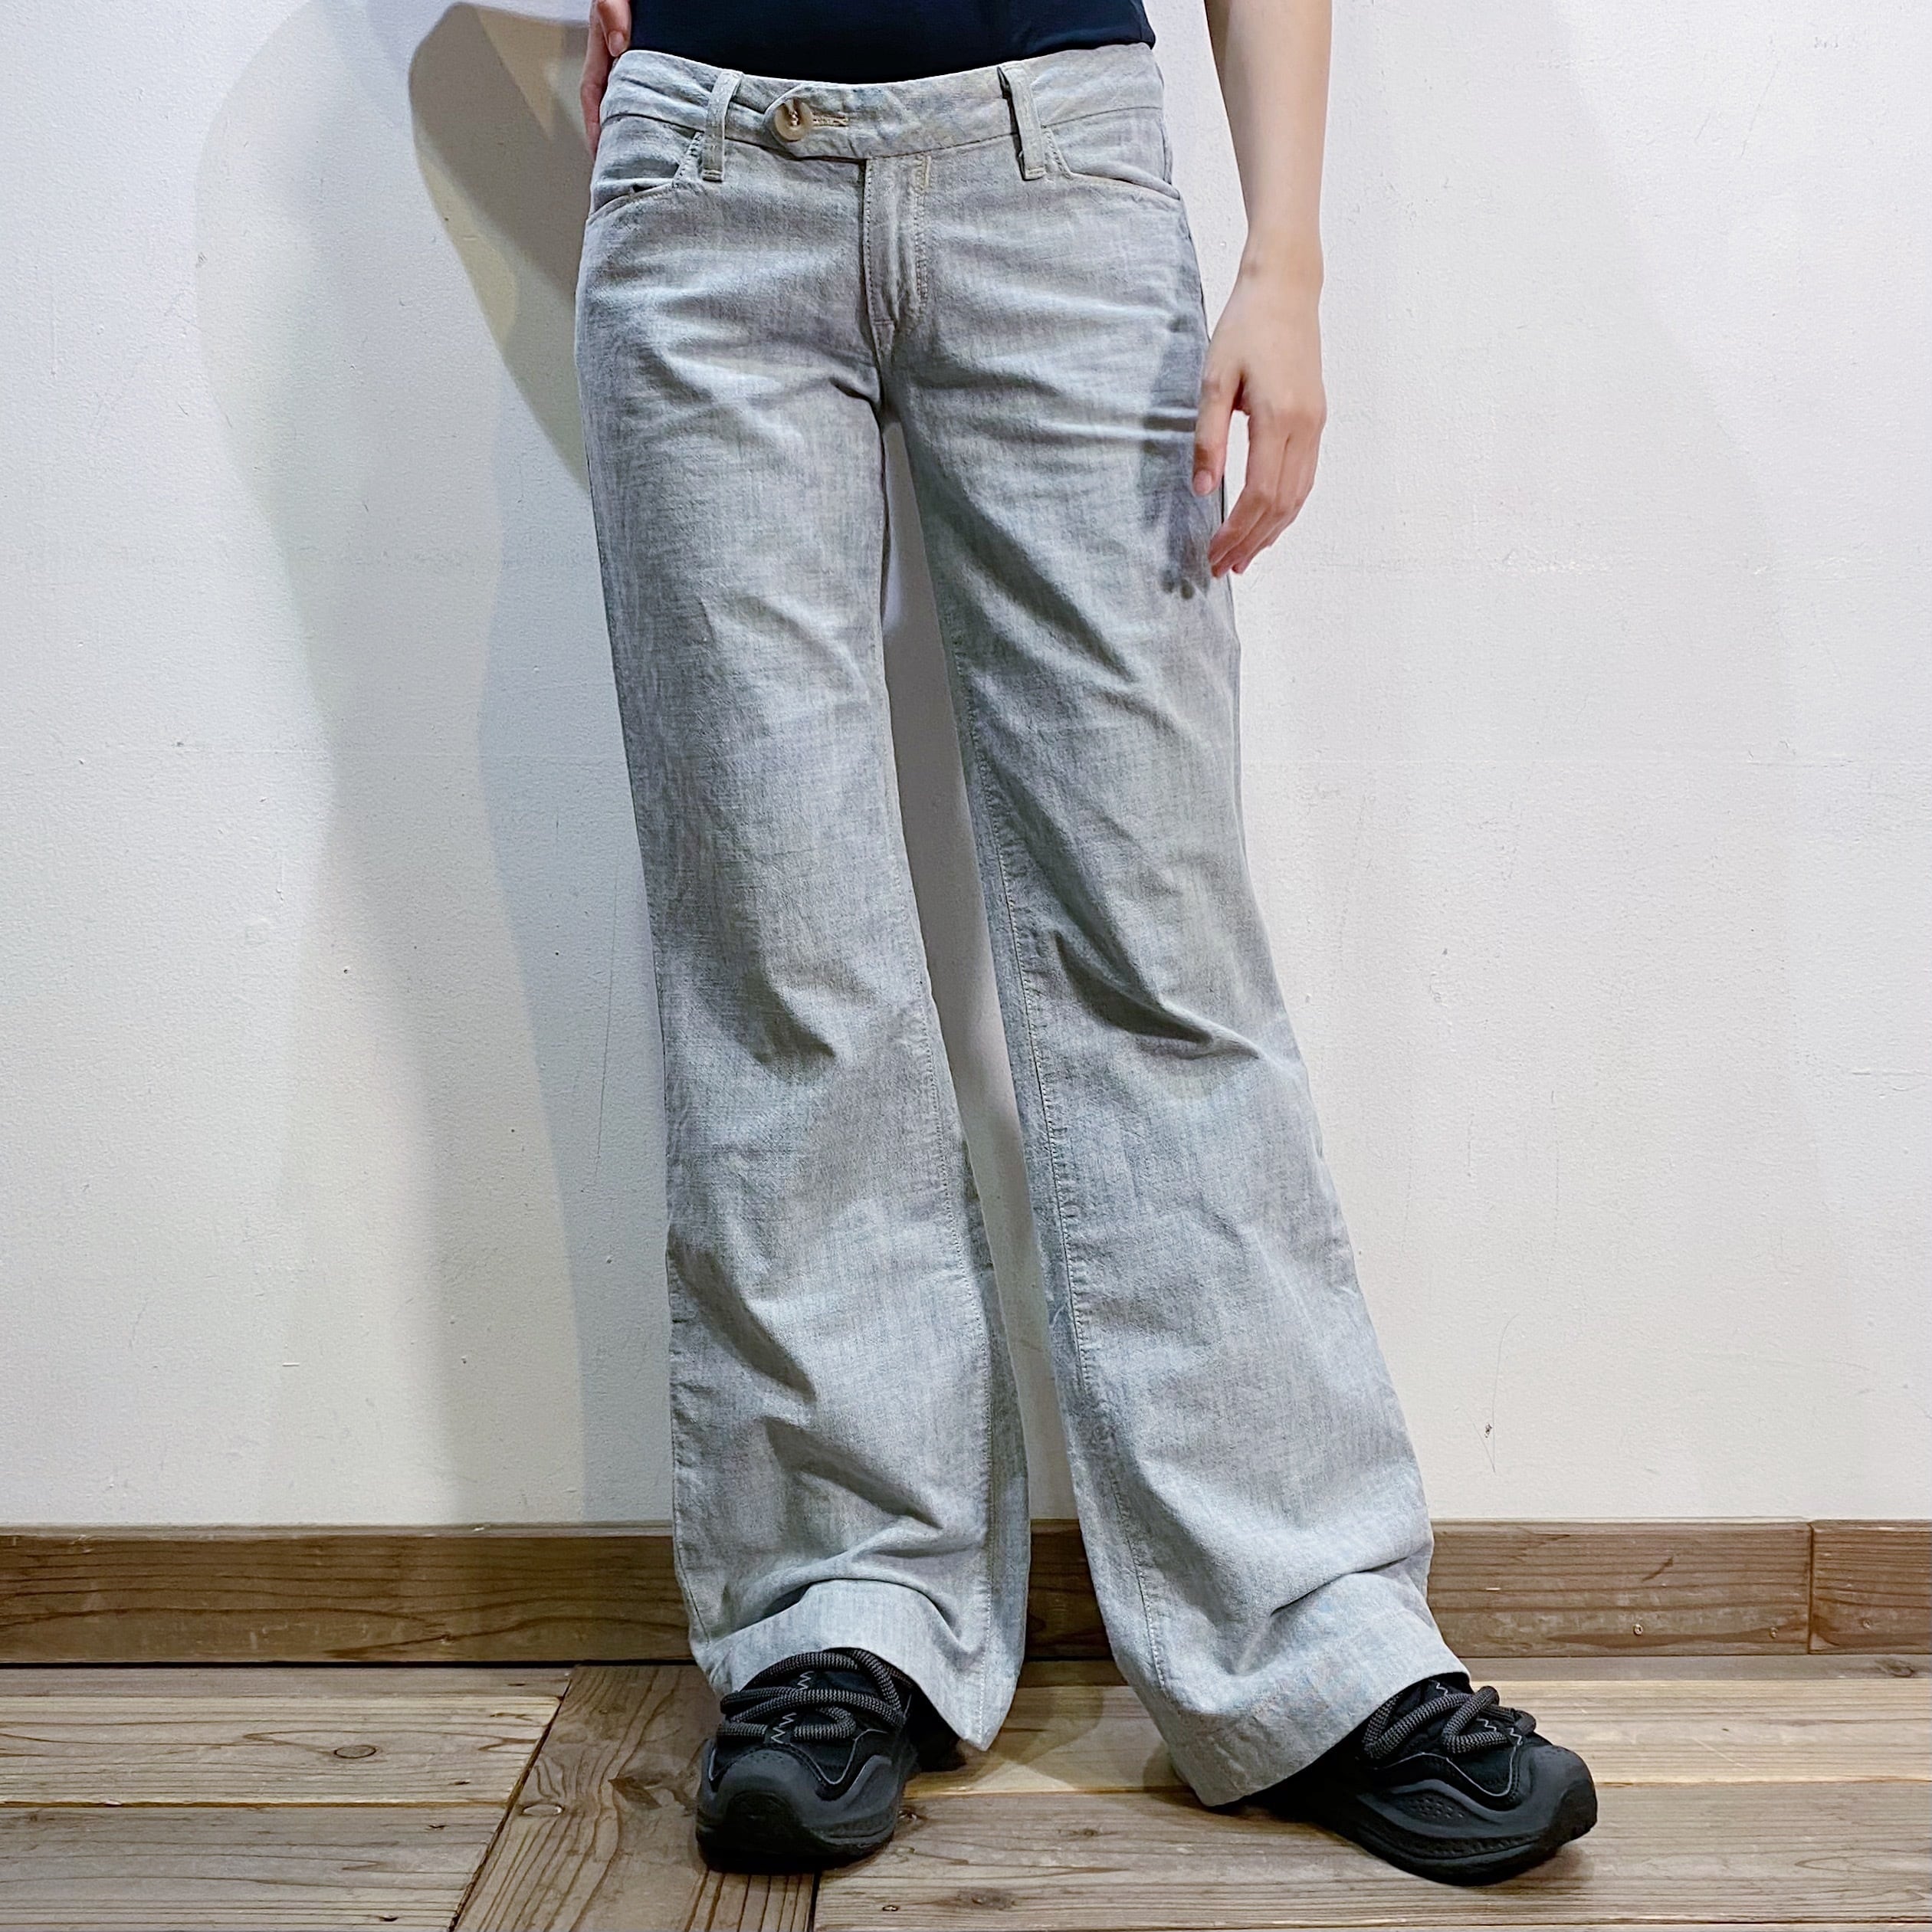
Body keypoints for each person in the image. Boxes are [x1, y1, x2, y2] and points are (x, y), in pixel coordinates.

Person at [572, 0, 1598, 1888]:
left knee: (1156, 942)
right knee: (780, 952)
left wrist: (1285, 260)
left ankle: (1310, 1629)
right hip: (703, 189)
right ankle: (838, 1611)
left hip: (1060, 174)